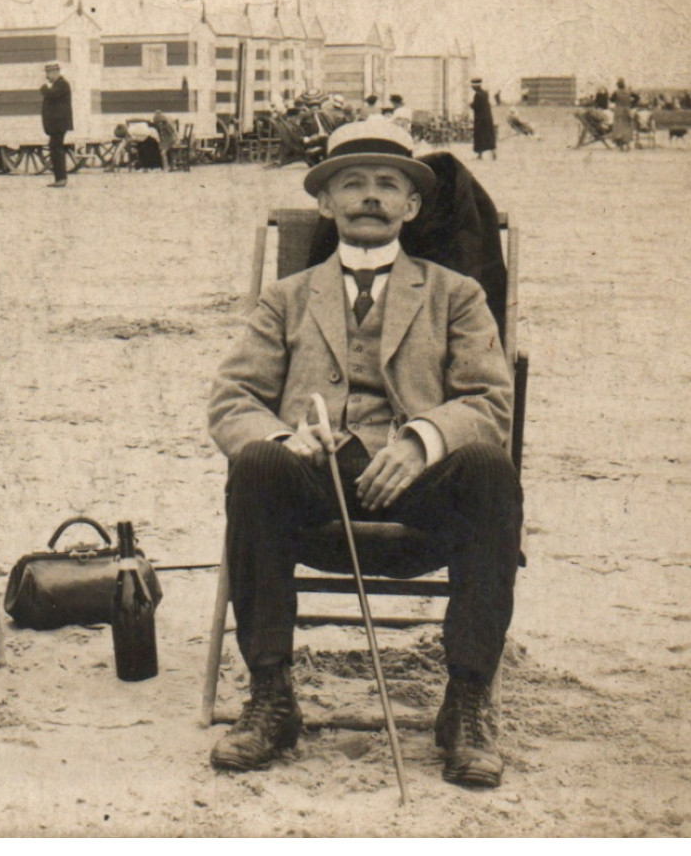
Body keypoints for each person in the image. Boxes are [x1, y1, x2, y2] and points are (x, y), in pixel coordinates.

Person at [206, 117, 522, 789]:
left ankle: (465, 703)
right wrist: (286, 437)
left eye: (388, 185)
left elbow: (489, 402)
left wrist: (420, 440)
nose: (370, 197)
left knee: (492, 470)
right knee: (254, 462)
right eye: (352, 184)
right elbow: (233, 398)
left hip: (420, 497)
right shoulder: (285, 299)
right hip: (314, 490)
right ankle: (271, 697)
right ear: (325, 203)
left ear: (412, 206)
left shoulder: (454, 295)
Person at [41, 62, 73, 187]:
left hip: (58, 124)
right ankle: (60, 178)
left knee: (56, 150)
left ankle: (61, 179)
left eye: (48, 74)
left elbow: (50, 94)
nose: (47, 77)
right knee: (55, 149)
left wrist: (43, 87)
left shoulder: (62, 84)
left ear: (55, 73)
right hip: (57, 124)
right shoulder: (59, 84)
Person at [470, 78, 497, 159]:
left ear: (475, 86)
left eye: (472, 86)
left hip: (480, 119)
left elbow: (476, 106)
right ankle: (493, 153)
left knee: (479, 136)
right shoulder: (485, 93)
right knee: (488, 136)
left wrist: (471, 105)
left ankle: (479, 155)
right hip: (488, 118)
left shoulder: (477, 95)